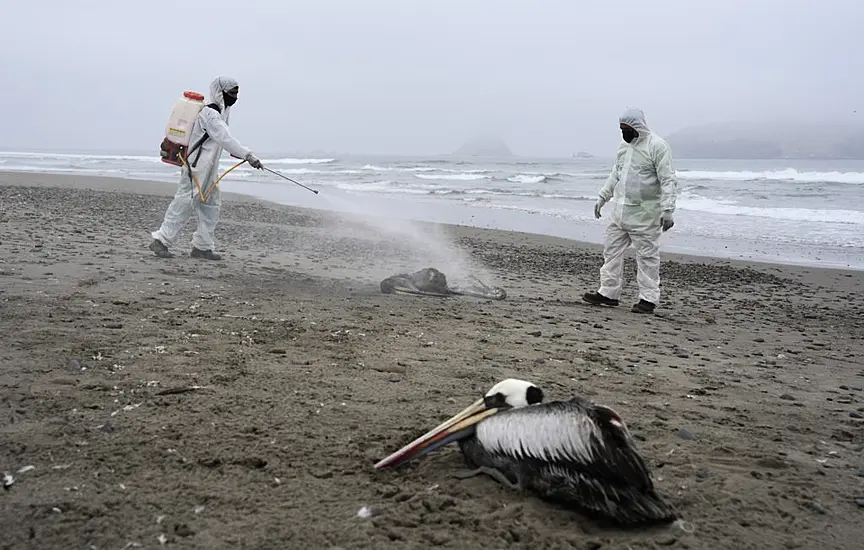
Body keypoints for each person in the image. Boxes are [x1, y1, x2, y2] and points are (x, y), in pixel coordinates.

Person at [149, 76, 264, 261]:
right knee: (184, 204)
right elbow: (225, 138)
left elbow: (222, 139)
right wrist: (248, 155)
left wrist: (244, 155)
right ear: (220, 92)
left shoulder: (221, 113)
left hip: (209, 169)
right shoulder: (209, 114)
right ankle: (161, 241)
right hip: (195, 168)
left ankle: (202, 247)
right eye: (232, 93)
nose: (235, 96)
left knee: (211, 206)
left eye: (237, 93)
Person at [582, 107, 677, 314]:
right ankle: (608, 293)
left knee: (647, 257)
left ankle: (648, 299)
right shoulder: (623, 148)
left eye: (627, 128)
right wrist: (602, 197)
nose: (624, 132)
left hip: (645, 214)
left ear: (638, 126)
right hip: (620, 213)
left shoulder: (657, 147)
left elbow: (668, 179)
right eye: (621, 128)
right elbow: (615, 174)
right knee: (611, 251)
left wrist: (668, 210)